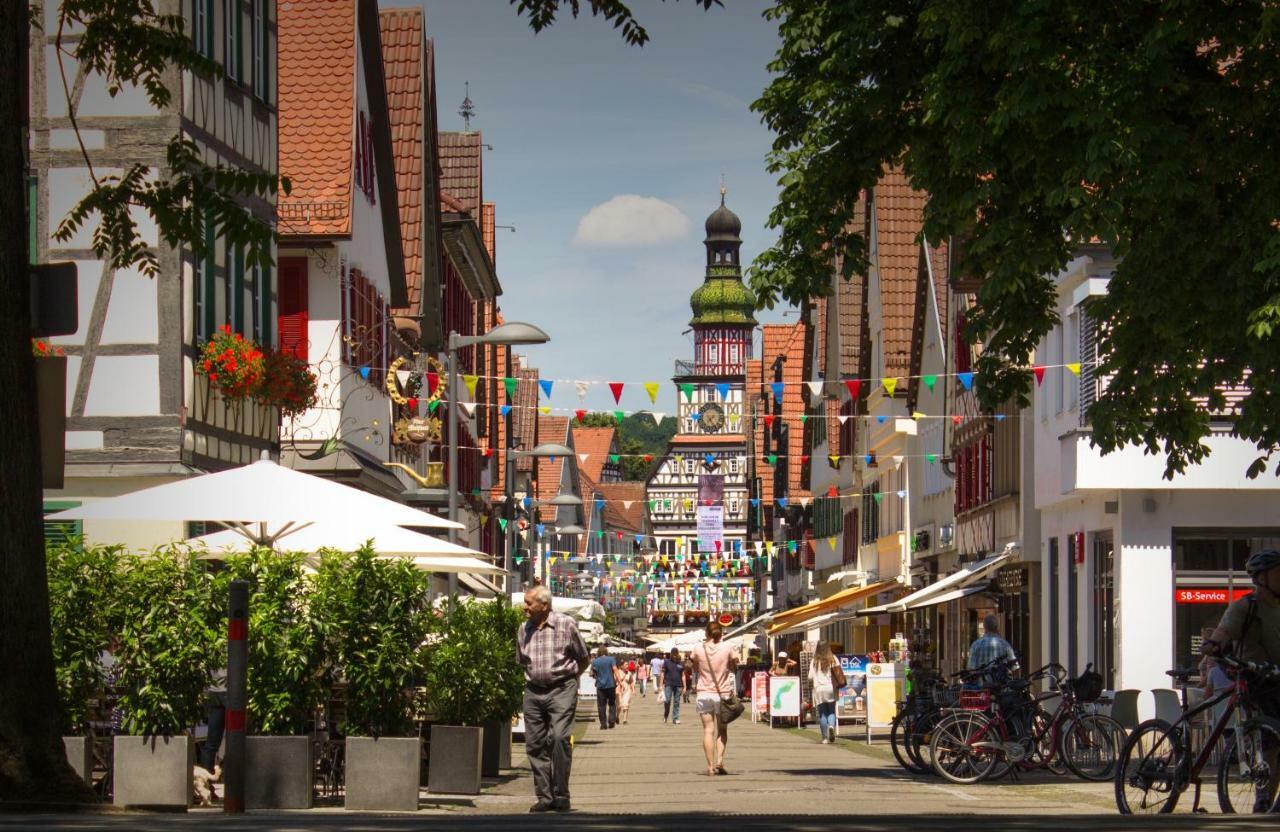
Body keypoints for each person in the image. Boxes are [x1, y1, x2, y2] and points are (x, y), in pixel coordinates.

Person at [1203, 549, 1280, 812]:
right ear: (1261, 578)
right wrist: (1214, 644)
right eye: (1278, 573)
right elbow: (1224, 630)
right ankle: (1263, 798)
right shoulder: (1245, 606)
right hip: (1253, 678)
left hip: (1277, 676)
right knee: (1270, 739)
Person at [517, 585, 590, 814]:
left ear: (545, 605)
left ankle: (561, 794)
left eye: (529, 603)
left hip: (562, 688)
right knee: (535, 744)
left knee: (559, 738)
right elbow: (521, 660)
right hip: (533, 690)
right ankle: (544, 797)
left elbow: (583, 657)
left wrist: (570, 680)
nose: (525, 608)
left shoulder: (565, 624)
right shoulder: (523, 629)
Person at [689, 621, 739, 776]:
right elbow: (735, 663)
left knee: (708, 730)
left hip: (704, 693)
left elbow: (694, 664)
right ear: (721, 632)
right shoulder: (728, 647)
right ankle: (719, 760)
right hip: (722, 694)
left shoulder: (698, 648)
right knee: (722, 730)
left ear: (706, 633)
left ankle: (710, 767)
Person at [808, 641, 840, 744]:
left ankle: (825, 738)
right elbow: (838, 673)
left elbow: (810, 677)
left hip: (819, 689)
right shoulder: (833, 658)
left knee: (822, 714)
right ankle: (831, 726)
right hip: (830, 688)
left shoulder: (814, 661)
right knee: (831, 711)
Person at [590, 646, 619, 730]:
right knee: (612, 703)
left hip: (600, 686)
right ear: (606, 652)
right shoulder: (611, 659)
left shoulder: (595, 661)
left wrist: (597, 676)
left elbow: (592, 674)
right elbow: (615, 670)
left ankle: (603, 724)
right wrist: (620, 681)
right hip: (611, 685)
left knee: (601, 706)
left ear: (598, 652)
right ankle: (611, 721)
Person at [661, 648, 685, 724]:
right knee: (667, 700)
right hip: (668, 684)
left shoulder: (681, 663)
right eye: (673, 653)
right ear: (671, 654)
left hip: (678, 685)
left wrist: (685, 686)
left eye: (676, 653)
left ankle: (675, 718)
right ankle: (666, 714)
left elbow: (683, 675)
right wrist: (660, 685)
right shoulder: (666, 662)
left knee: (676, 702)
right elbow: (662, 673)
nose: (674, 655)